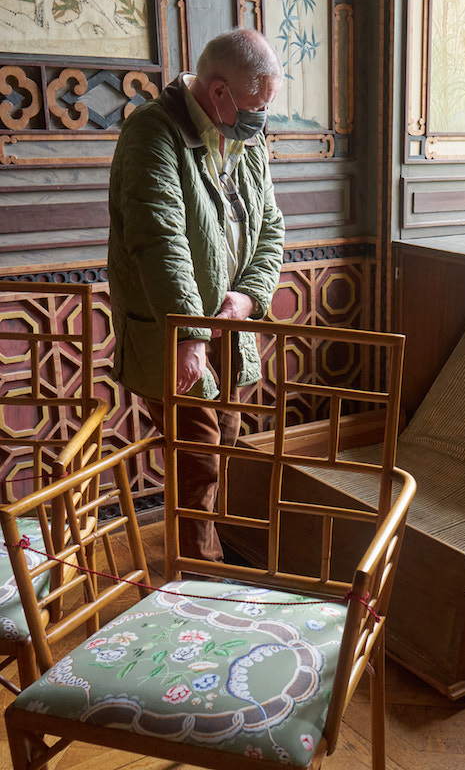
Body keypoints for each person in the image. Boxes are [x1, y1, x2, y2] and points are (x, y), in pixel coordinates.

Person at [108, 27, 285, 562]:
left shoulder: (246, 141)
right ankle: (197, 580)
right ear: (218, 91)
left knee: (223, 445)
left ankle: (207, 555)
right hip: (177, 339)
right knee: (198, 461)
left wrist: (249, 298)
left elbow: (272, 229)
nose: (262, 118)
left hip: (232, 332)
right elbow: (160, 240)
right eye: (256, 104)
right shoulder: (150, 135)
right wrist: (191, 335)